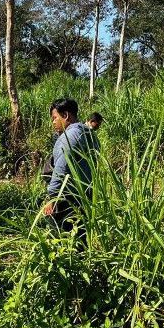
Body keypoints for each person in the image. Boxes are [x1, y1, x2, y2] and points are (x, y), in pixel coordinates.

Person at [43, 98, 99, 235]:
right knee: (80, 234)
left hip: (67, 198)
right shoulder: (90, 134)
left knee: (62, 236)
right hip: (86, 193)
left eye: (55, 118)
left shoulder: (71, 136)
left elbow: (61, 170)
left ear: (66, 115)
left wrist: (51, 197)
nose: (53, 122)